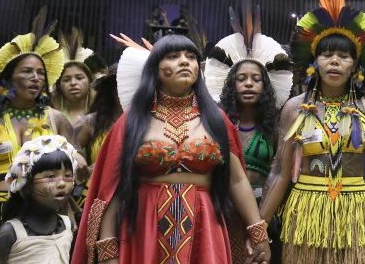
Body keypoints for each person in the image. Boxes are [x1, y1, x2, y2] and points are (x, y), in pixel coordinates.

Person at [72, 34, 270, 264]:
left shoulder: (216, 119)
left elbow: (236, 181)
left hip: (204, 227)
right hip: (143, 228)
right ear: (156, 70)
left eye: (191, 57)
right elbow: (112, 190)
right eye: (173, 57)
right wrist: (107, 248)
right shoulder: (133, 121)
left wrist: (258, 233)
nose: (184, 61)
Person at [259, 0, 365, 264]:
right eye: (326, 55)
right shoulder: (294, 108)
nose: (335, 61)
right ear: (315, 62)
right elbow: (279, 173)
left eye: (344, 56)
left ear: (356, 65)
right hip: (307, 219)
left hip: (361, 217)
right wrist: (259, 229)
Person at [0, 10, 86, 264]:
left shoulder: (57, 120)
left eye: (40, 73)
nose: (35, 78)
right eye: (27, 72)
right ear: (8, 77)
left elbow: (78, 174)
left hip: (43, 218)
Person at [204, 0, 293, 262]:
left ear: (266, 86)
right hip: (220, 211)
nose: (249, 84)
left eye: (256, 79)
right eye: (241, 79)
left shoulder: (275, 127)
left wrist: (264, 220)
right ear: (230, 85)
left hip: (264, 213)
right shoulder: (215, 124)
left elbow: (281, 174)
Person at [0, 136, 77, 264]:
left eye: (68, 176)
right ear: (27, 185)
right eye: (51, 176)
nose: (62, 183)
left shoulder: (68, 226)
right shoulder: (11, 233)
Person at [72, 72, 121, 213]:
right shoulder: (91, 122)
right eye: (121, 85)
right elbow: (66, 147)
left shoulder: (148, 121)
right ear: (111, 90)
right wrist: (77, 157)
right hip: (96, 193)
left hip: (134, 194)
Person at [52, 30, 95, 127]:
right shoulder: (49, 115)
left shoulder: (101, 114)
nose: (73, 83)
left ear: (90, 81)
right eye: (66, 79)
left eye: (79, 78)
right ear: (59, 86)